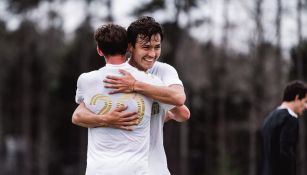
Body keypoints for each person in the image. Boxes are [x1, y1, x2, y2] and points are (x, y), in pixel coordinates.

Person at [72, 16, 190, 175]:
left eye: (157, 47)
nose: (152, 54)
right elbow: (78, 115)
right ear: (130, 46)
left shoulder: (163, 71)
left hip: (155, 168)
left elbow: (180, 106)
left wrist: (137, 88)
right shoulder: (113, 75)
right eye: (146, 47)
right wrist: (107, 119)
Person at [261, 80, 307, 175]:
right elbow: (286, 153)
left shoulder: (269, 119)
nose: (306, 106)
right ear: (297, 97)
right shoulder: (290, 119)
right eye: (305, 101)